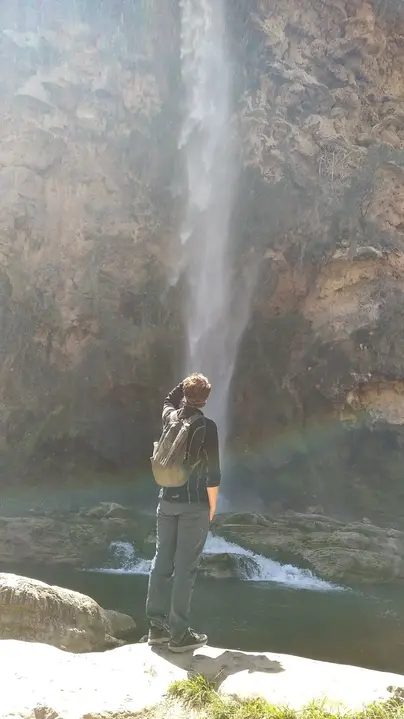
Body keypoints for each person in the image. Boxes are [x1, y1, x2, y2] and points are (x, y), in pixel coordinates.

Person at [146, 372, 221, 653]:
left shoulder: (169, 418)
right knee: (185, 569)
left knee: (161, 563)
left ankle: (156, 628)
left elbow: (169, 399)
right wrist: (212, 508)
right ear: (206, 399)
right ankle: (179, 635)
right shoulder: (207, 427)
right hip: (194, 506)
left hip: (165, 501)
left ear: (185, 395)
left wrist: (185, 383)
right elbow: (214, 474)